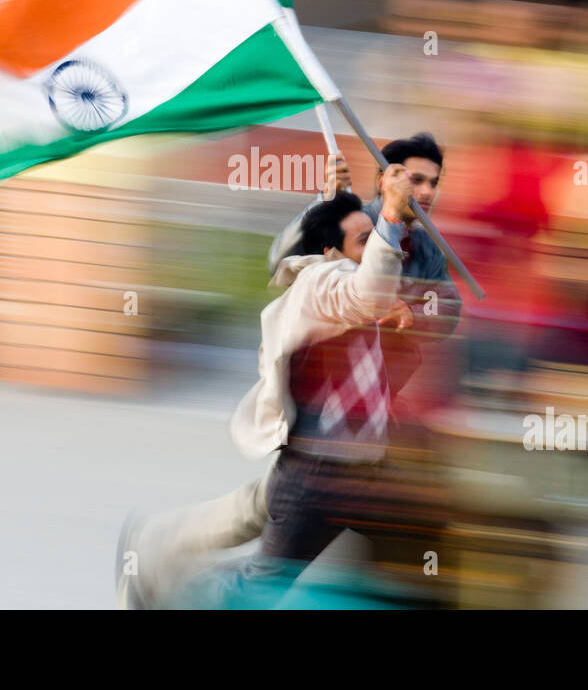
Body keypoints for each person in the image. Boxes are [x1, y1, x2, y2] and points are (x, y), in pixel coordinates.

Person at [117, 167, 419, 608]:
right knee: (257, 592)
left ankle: (155, 543)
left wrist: (335, 197)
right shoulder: (321, 285)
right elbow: (363, 291)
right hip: (319, 477)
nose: (374, 244)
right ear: (330, 253)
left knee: (259, 510)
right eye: (363, 241)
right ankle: (171, 591)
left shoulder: (342, 287)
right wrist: (391, 213)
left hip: (357, 472)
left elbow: (362, 280)